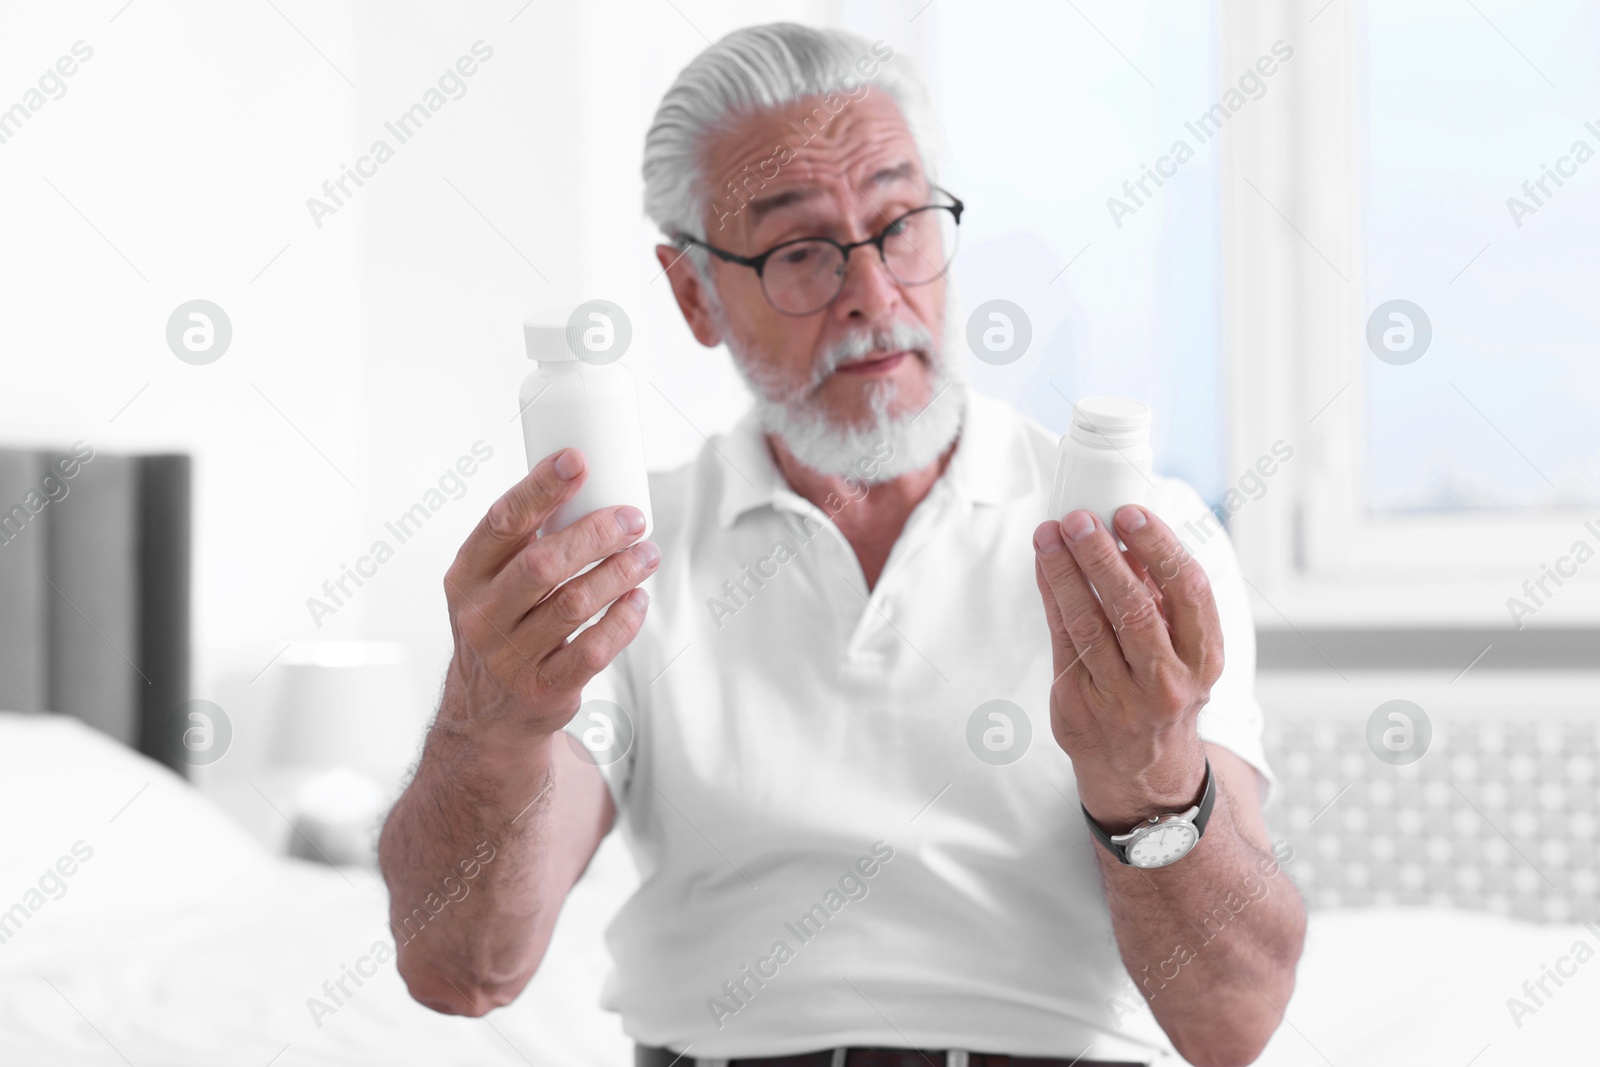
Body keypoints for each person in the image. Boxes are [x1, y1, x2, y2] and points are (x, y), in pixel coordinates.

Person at [379, 22, 1305, 1067]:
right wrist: (486, 719)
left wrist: (1152, 777)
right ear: (694, 294)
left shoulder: (1139, 548)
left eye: (902, 223)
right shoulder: (625, 558)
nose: (872, 291)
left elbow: (1233, 1022)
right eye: (799, 250)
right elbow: (463, 969)